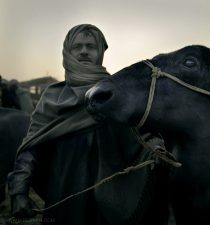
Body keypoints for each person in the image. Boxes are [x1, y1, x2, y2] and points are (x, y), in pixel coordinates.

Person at [7, 24, 167, 225]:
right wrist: (19, 190)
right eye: (78, 46)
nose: (84, 51)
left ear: (100, 51)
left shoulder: (116, 92)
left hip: (111, 195)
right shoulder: (51, 96)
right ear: (68, 51)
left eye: (90, 46)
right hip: (64, 193)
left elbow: (142, 133)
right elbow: (31, 147)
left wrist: (156, 148)